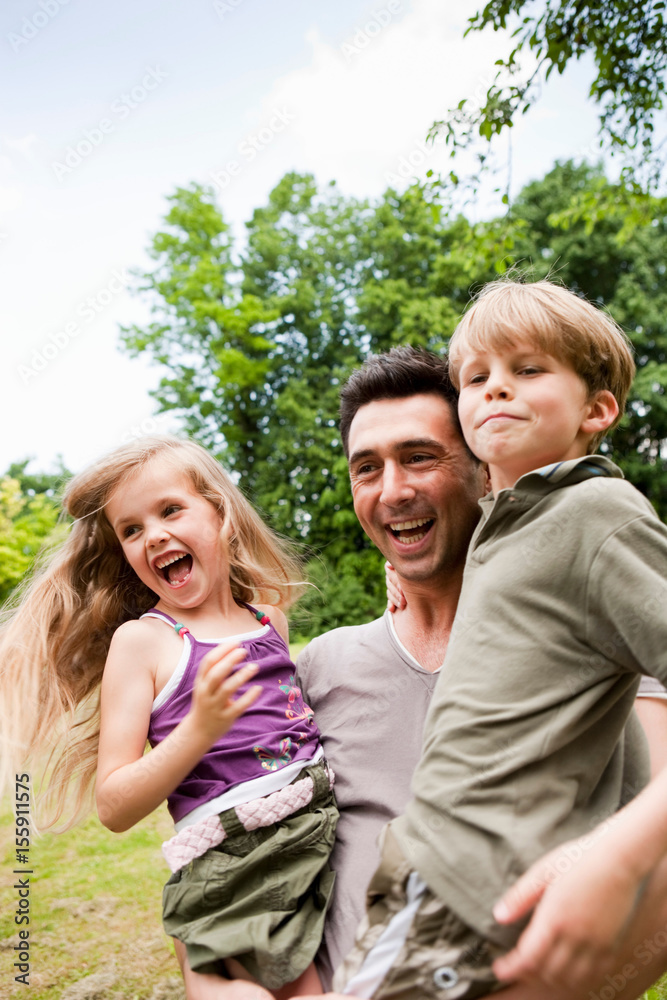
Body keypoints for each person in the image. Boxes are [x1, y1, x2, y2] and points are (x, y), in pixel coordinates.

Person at [295, 341, 667, 1000]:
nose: (393, 491)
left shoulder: (588, 649)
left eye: (419, 457)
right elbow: (242, 850)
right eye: (365, 468)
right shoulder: (320, 667)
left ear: (484, 462)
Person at [0, 436, 338, 1000]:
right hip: (233, 865)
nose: (152, 534)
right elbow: (114, 805)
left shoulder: (268, 618)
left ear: (221, 514)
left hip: (317, 836)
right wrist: (197, 731)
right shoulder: (144, 644)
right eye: (131, 529)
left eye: (170, 510)